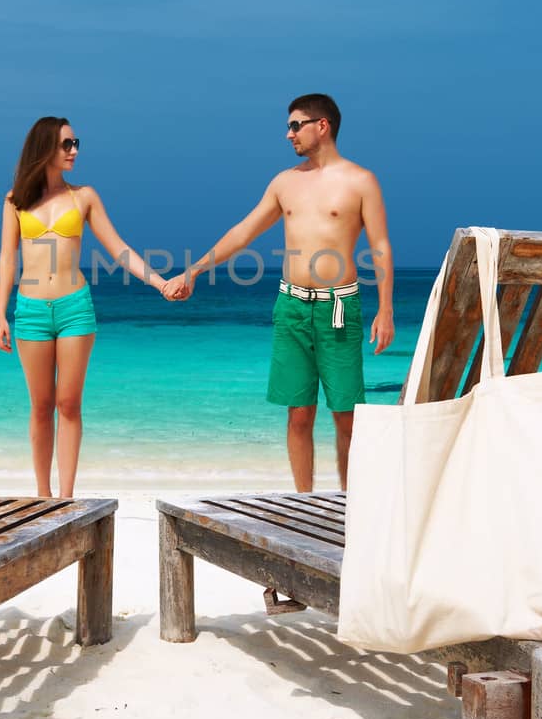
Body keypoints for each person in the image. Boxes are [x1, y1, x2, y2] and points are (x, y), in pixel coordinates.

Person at [169, 93, 394, 491]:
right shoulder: (285, 182)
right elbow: (244, 231)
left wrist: (386, 310)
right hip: (291, 307)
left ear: (321, 126)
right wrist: (195, 269)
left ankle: (350, 503)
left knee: (346, 414)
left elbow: (380, 246)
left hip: (339, 308)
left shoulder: (361, 181)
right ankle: (304, 502)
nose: (288, 134)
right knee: (298, 413)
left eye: (295, 125)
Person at [0, 116, 176, 498]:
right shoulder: (14, 200)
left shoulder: (85, 197)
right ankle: (43, 496)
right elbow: (8, 260)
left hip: (75, 309)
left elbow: (119, 248)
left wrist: (159, 282)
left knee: (68, 404)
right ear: (44, 147)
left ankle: (66, 497)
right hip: (30, 311)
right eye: (66, 144)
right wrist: (0, 313)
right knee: (41, 406)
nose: (74, 150)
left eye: (76, 143)